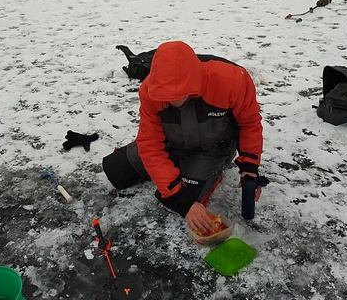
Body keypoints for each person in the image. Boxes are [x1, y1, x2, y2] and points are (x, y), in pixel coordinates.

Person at [103, 40, 264, 234]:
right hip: (172, 140)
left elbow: (250, 124)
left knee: (190, 199)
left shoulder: (233, 80)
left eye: (178, 93)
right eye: (165, 94)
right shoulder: (149, 90)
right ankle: (174, 165)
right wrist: (172, 189)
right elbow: (151, 144)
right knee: (116, 171)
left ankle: (209, 171)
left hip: (212, 147)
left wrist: (249, 166)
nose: (171, 100)